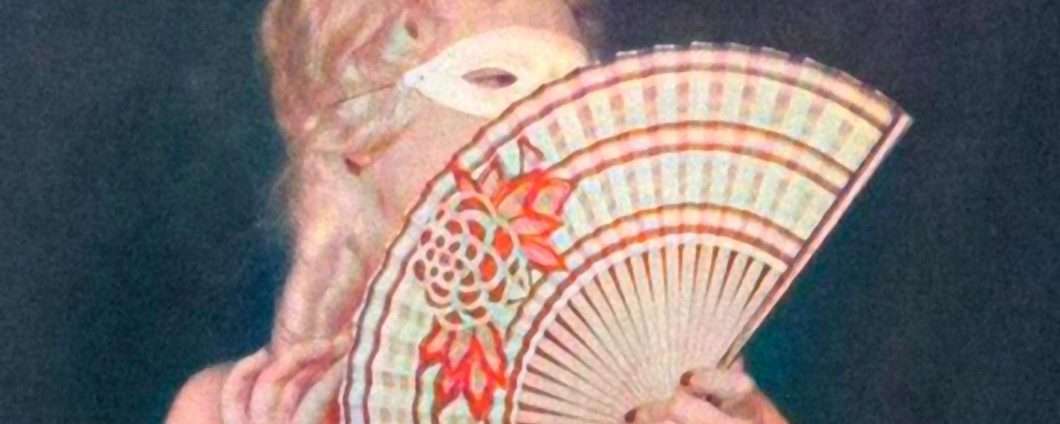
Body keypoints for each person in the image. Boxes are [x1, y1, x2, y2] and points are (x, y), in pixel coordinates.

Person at [167, 1, 788, 422]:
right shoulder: (223, 412)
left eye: (570, 86)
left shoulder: (672, 390)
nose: (549, 121)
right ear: (361, 132)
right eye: (496, 78)